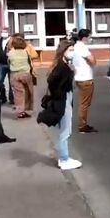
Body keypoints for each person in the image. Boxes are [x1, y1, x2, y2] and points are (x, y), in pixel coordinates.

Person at [39, 40, 82, 170]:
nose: (72, 53)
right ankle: (64, 159)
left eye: (73, 50)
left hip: (65, 99)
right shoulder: (61, 67)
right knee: (65, 131)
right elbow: (53, 82)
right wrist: (58, 94)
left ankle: (64, 157)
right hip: (63, 101)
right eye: (70, 50)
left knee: (64, 130)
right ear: (63, 51)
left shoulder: (65, 65)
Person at [72, 29, 98, 133]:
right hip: (85, 78)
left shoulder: (75, 47)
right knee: (84, 103)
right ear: (85, 37)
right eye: (90, 36)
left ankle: (83, 124)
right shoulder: (82, 48)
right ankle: (82, 125)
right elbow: (93, 61)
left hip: (79, 77)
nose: (90, 39)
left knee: (84, 103)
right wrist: (93, 58)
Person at [7, 35, 35, 119]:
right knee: (28, 92)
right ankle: (27, 110)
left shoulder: (10, 53)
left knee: (18, 94)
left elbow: (8, 63)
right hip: (26, 74)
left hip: (15, 74)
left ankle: (20, 111)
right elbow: (29, 62)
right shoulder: (25, 52)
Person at [0, 28, 11, 104]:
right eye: (2, 32)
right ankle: (3, 97)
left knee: (11, 82)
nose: (3, 33)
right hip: (1, 64)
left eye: (5, 32)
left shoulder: (12, 40)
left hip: (10, 64)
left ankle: (12, 99)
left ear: (8, 33)